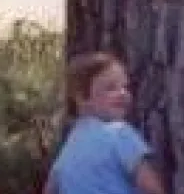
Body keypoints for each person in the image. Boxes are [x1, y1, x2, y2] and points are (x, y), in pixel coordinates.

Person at [44, 52, 167, 194]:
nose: (122, 93)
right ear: (82, 98)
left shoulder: (70, 145)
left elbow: (50, 188)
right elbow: (151, 188)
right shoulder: (119, 133)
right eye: (111, 88)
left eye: (125, 87)